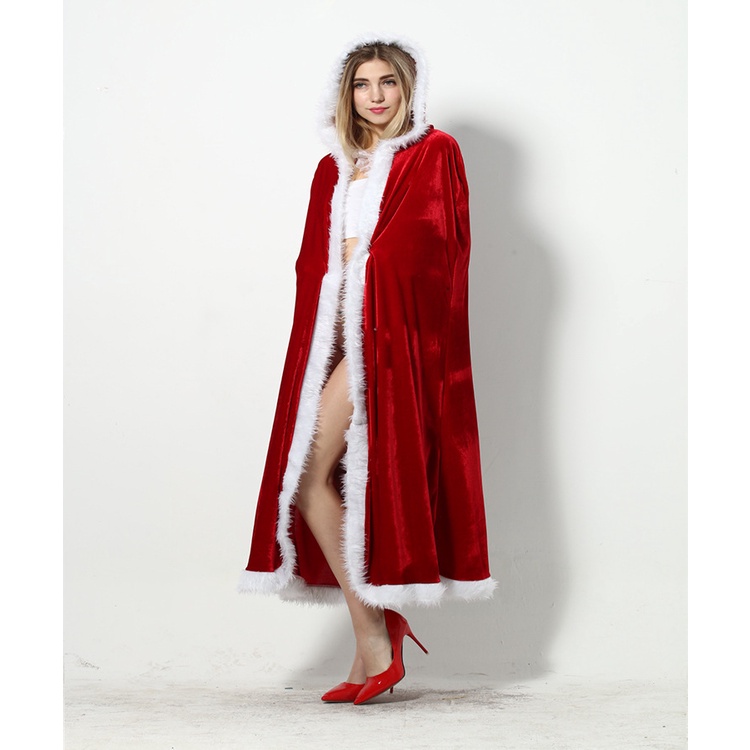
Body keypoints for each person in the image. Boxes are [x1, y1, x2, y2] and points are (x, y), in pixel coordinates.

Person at [239, 33, 496, 705]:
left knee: (308, 471)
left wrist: (369, 271)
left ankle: (376, 638)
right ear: (346, 94)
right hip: (341, 341)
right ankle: (374, 632)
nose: (375, 96)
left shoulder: (434, 153)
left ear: (409, 89)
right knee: (304, 478)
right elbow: (314, 269)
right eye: (362, 84)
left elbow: (437, 251)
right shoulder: (334, 168)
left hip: (390, 340)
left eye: (388, 83)